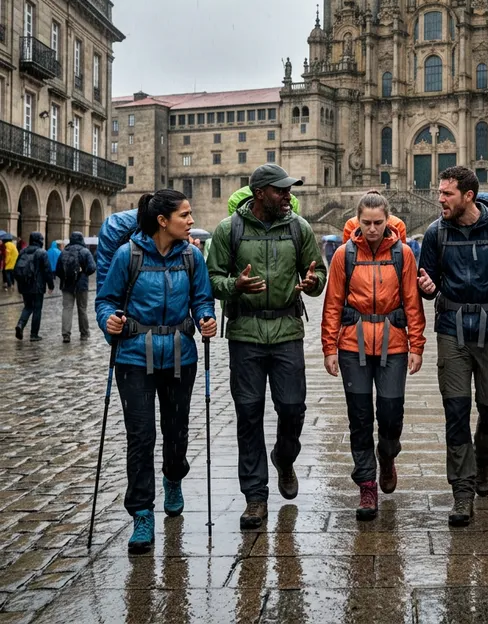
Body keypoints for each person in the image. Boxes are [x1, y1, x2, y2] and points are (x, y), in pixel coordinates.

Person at [206, 164, 326, 530]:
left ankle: (284, 457)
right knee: (248, 414)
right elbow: (212, 279)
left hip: (287, 331)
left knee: (292, 409)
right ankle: (255, 498)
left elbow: (318, 272)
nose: (288, 196)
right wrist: (234, 288)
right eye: (281, 191)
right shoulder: (230, 230)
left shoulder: (299, 228)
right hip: (245, 335)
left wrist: (312, 282)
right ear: (260, 194)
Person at [95, 190, 216, 554]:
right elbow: (106, 299)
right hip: (133, 357)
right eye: (185, 215)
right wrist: (109, 321)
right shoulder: (126, 256)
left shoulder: (193, 257)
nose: (191, 221)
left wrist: (206, 318)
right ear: (163, 221)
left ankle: (173, 477)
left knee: (177, 432)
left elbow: (201, 298)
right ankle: (142, 513)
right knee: (141, 436)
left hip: (181, 355)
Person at [418, 166, 488, 526]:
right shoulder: (435, 233)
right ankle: (462, 491)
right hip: (451, 328)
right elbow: (428, 278)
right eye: (439, 193)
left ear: (468, 196)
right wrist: (427, 288)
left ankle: (483, 460)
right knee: (455, 411)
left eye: (447, 194)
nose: (440, 199)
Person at [322, 192, 426, 520]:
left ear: (388, 221)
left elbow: (412, 301)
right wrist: (329, 348)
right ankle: (367, 484)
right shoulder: (343, 255)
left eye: (378, 223)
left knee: (391, 414)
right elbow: (333, 303)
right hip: (353, 344)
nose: (371, 229)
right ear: (357, 221)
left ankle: (388, 454)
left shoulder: (403, 254)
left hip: (393, 344)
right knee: (360, 417)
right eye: (365, 223)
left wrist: (417, 345)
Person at [56, 232, 97, 343]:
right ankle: (84, 333)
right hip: (81, 284)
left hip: (66, 285)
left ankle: (66, 334)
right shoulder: (85, 251)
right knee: (82, 309)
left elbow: (58, 270)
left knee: (67, 309)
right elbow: (92, 267)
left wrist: (66, 277)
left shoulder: (64, 252)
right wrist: (84, 273)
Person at [14, 232, 54, 342]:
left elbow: (16, 267)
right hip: (37, 286)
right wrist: (50, 285)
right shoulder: (42, 253)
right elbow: (47, 270)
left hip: (24, 285)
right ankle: (34, 334)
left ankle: (20, 324)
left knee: (27, 307)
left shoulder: (23, 251)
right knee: (37, 309)